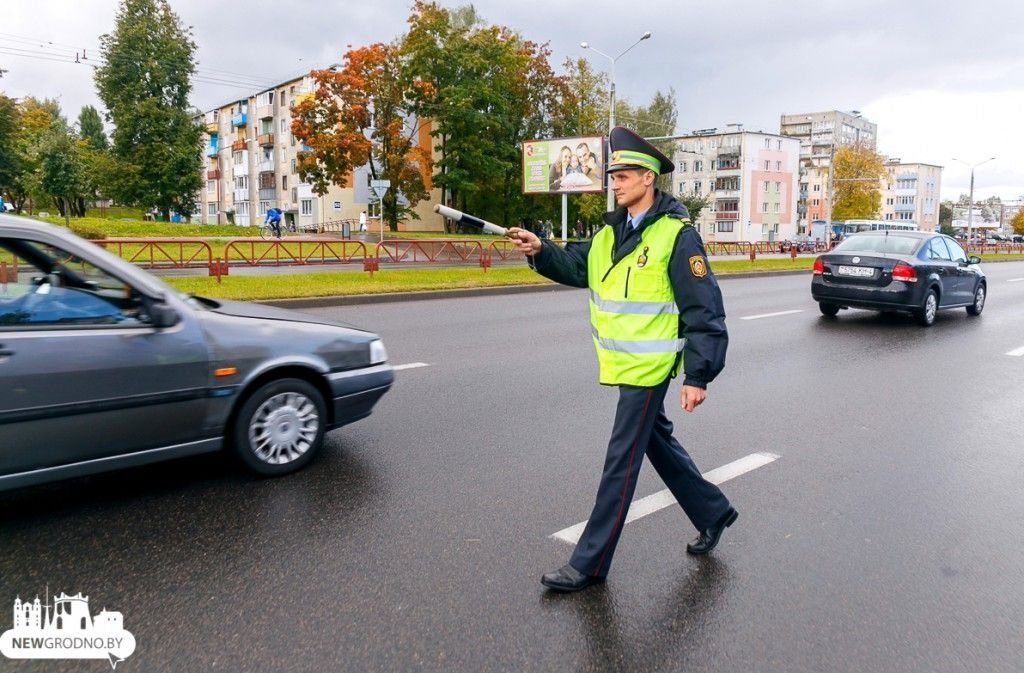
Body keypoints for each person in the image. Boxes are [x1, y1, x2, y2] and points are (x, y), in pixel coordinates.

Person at [507, 126, 736, 593]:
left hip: (649, 368)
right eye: (612, 174)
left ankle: (589, 563)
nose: (615, 181)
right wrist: (540, 250)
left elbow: (704, 307)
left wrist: (698, 373)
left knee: (621, 461)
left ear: (649, 178)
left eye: (624, 174)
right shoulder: (612, 231)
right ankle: (713, 511)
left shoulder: (677, 236)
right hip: (625, 363)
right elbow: (578, 266)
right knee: (654, 444)